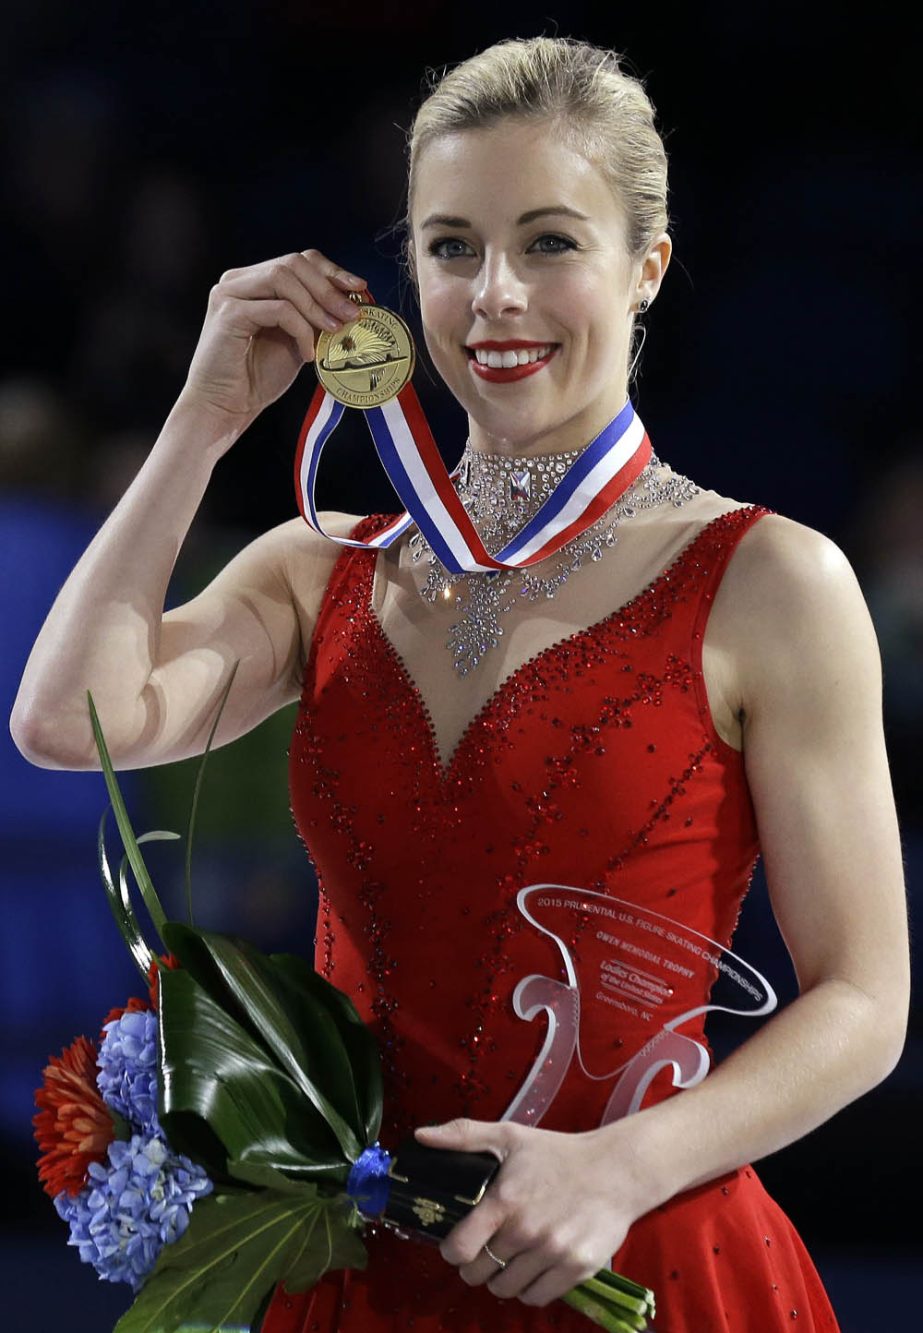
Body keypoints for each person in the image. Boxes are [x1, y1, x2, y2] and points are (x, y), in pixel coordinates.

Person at [10, 35, 909, 1333]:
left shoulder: (773, 581)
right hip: (361, 1271)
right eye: (450, 246)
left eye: (550, 242)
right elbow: (61, 721)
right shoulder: (323, 568)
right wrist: (203, 419)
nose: (494, 295)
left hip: (640, 1260)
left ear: (647, 265)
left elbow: (866, 1001)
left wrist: (622, 1168)